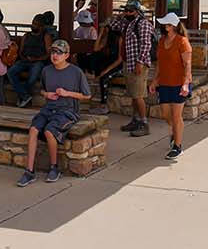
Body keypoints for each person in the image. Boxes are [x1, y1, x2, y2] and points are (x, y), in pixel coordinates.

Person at [16, 40, 90, 186]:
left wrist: (67, 93)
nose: (55, 55)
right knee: (33, 130)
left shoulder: (76, 72)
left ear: (67, 55)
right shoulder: (46, 71)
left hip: (68, 111)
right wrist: (47, 94)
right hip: (49, 109)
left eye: (59, 52)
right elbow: (42, 90)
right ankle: (29, 171)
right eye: (53, 52)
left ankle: (54, 167)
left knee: (50, 131)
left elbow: (87, 95)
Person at [151, 13, 193, 160]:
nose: (165, 26)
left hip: (179, 84)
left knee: (176, 117)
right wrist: (154, 80)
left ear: (174, 26)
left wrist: (186, 84)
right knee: (166, 115)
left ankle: (178, 146)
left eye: (168, 24)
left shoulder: (182, 42)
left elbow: (187, 64)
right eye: (164, 24)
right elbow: (159, 64)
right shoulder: (162, 41)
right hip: (164, 83)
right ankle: (175, 134)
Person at [113, 0, 154, 136]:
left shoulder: (143, 24)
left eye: (130, 11)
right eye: (126, 10)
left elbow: (146, 44)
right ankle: (135, 120)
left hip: (137, 64)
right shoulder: (127, 23)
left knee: (139, 95)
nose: (127, 13)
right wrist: (120, 16)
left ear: (137, 11)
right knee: (133, 95)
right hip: (128, 62)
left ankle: (144, 123)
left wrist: (140, 62)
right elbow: (112, 25)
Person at [7, 14, 54, 107]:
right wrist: (24, 57)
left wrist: (36, 59)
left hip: (38, 61)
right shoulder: (26, 35)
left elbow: (48, 54)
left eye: (36, 24)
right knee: (10, 72)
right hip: (25, 60)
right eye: (33, 23)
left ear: (41, 26)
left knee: (33, 77)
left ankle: (23, 96)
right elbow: (21, 51)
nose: (33, 26)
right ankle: (25, 95)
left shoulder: (46, 36)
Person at [81, 14, 124, 115]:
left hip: (118, 65)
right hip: (110, 63)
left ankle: (103, 105)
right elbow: (96, 48)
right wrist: (101, 34)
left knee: (104, 77)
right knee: (95, 56)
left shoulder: (120, 39)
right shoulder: (107, 38)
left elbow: (120, 59)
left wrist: (106, 70)